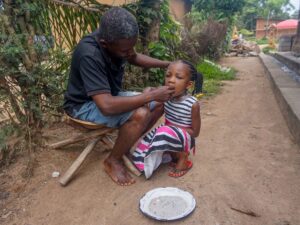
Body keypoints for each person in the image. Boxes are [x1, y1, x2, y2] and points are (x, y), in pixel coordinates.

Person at [63, 7, 175, 186]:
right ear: (105, 44)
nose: (129, 52)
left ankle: (126, 144)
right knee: (141, 113)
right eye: (125, 50)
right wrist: (150, 95)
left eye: (132, 47)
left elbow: (134, 57)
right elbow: (106, 106)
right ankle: (112, 160)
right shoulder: (89, 54)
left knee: (160, 103)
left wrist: (169, 65)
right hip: (82, 106)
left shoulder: (119, 42)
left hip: (108, 96)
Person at [132, 60, 202, 179]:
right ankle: (167, 155)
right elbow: (149, 97)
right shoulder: (166, 97)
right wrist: (148, 92)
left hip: (185, 139)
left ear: (188, 85)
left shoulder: (192, 104)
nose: (171, 80)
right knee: (148, 140)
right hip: (168, 134)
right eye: (168, 75)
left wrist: (170, 129)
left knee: (163, 132)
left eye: (178, 77)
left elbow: (195, 133)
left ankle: (183, 158)